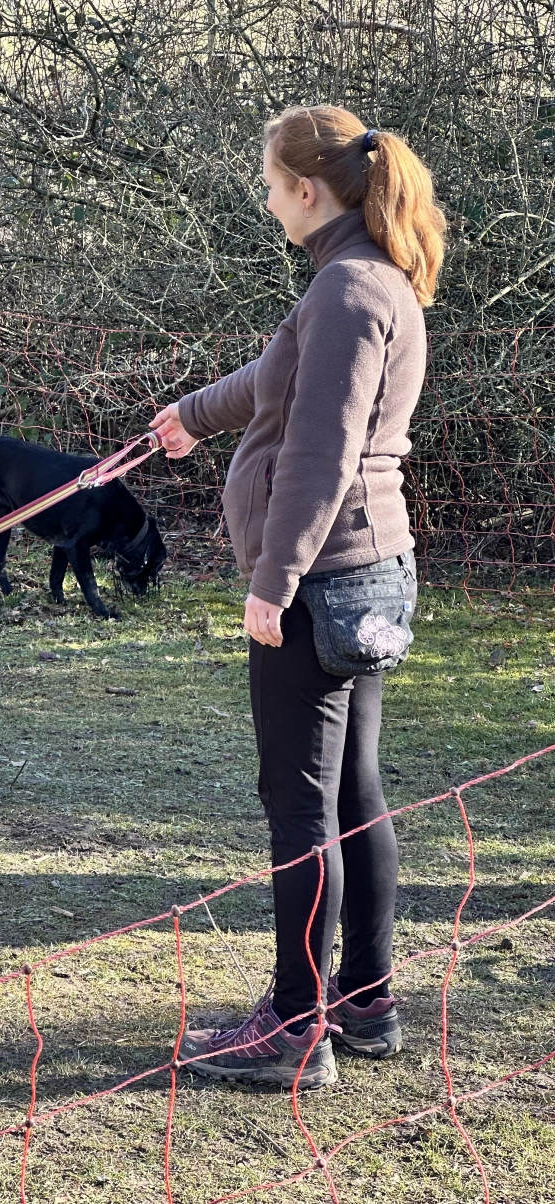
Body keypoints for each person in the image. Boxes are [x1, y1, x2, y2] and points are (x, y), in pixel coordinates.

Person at [151, 105, 446, 1089]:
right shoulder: (365, 278)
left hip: (324, 578)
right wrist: (188, 417)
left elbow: (319, 457)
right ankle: (365, 1001)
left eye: (271, 185)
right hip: (370, 570)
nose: (268, 200)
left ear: (306, 191)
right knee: (352, 794)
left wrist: (272, 586)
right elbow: (280, 385)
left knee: (302, 805)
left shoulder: (345, 291)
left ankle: (293, 1026)